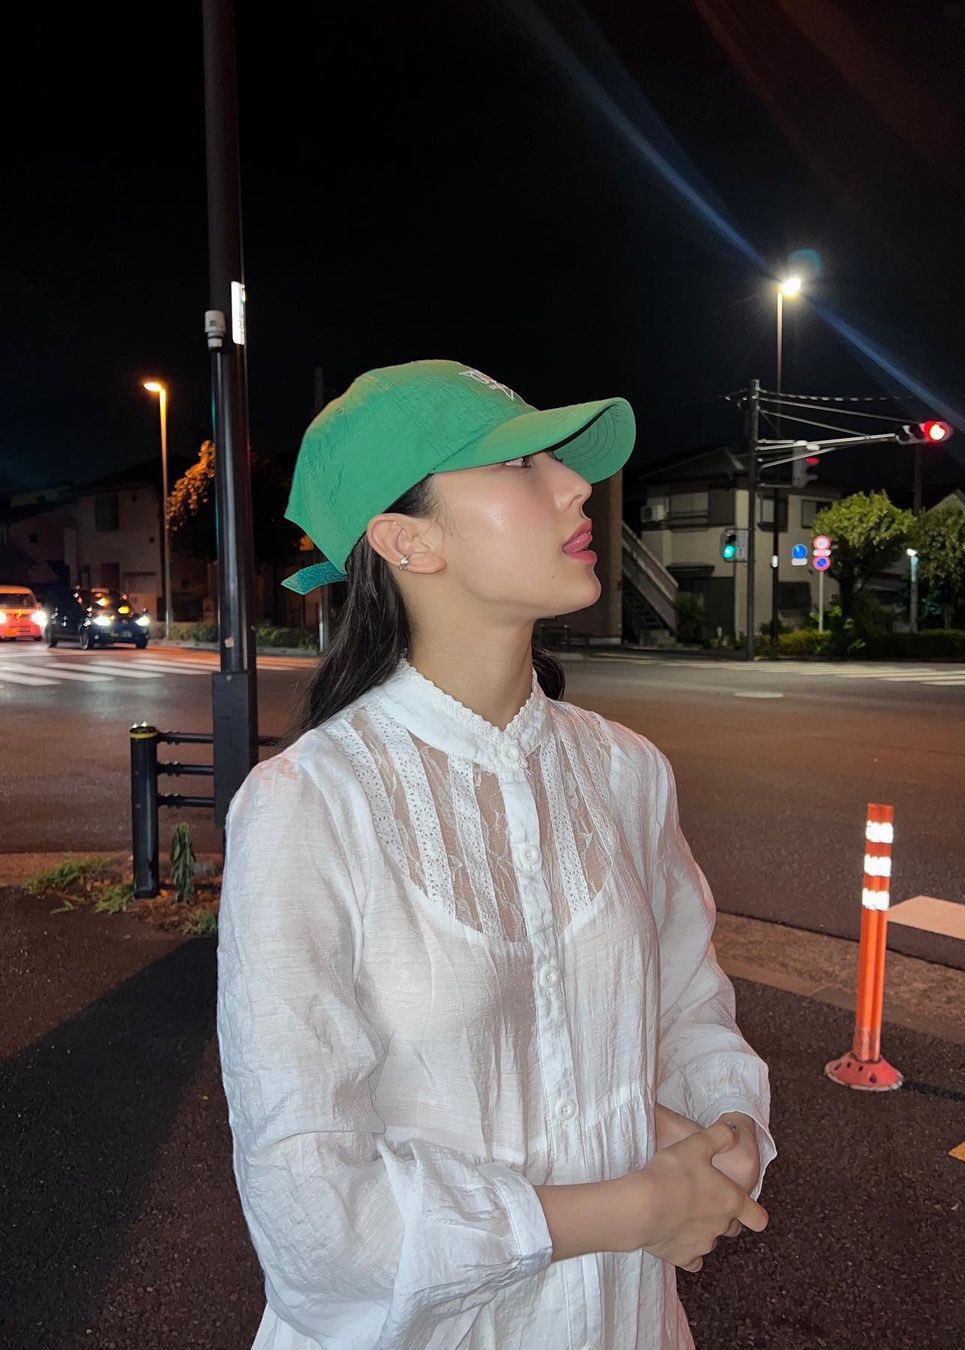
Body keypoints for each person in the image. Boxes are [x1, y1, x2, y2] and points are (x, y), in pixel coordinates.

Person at [216, 359, 775, 1350]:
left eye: (558, 459)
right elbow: (311, 1213)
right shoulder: (310, 805)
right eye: (517, 464)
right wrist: (633, 1210)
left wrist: (728, 1130)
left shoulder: (626, 772)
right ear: (407, 541)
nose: (572, 485)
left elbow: (688, 1006)